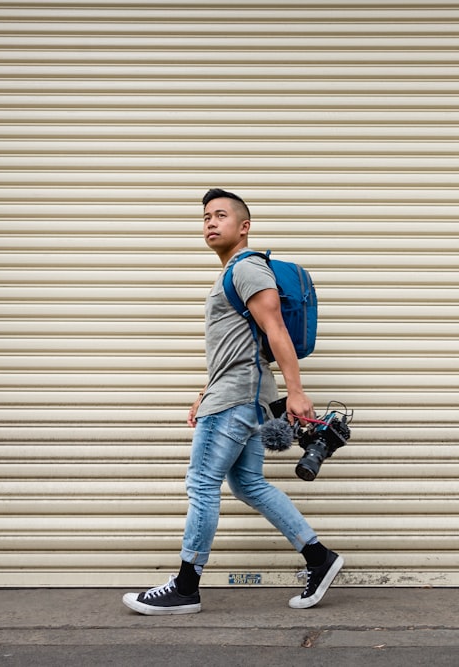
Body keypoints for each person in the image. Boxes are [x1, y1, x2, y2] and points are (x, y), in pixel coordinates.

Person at [123, 188, 343, 615]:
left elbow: (275, 328)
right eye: (205, 216)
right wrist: (206, 390)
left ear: (244, 227)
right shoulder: (234, 273)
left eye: (220, 215)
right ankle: (319, 558)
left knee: (202, 484)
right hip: (238, 395)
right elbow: (240, 346)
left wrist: (296, 391)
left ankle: (186, 587)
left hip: (235, 400)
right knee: (248, 484)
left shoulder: (247, 268)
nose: (209, 222)